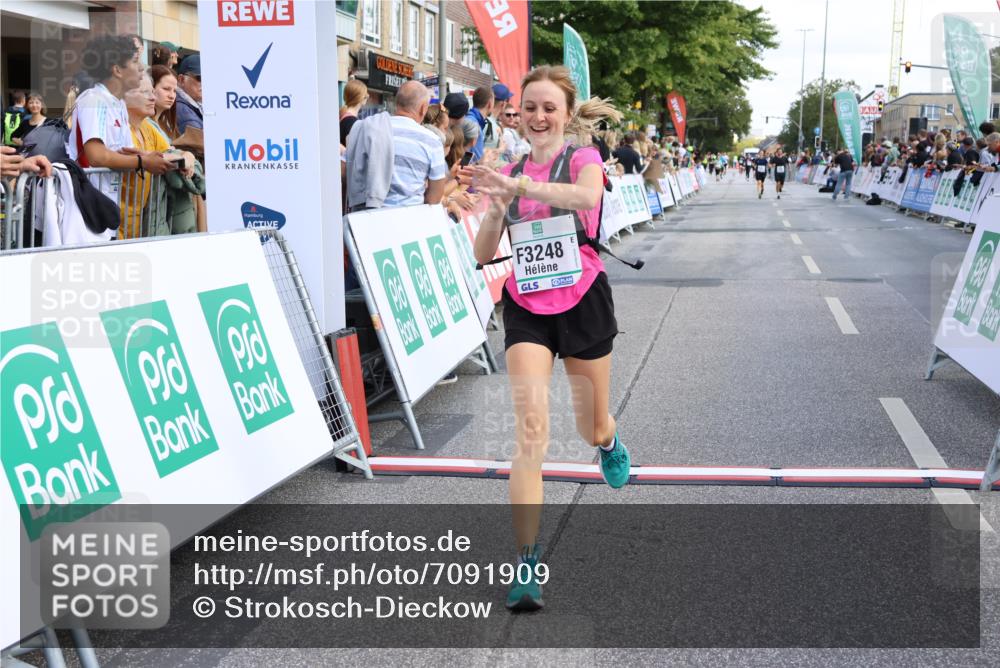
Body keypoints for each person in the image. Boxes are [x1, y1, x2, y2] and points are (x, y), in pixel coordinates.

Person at [459, 65, 627, 613]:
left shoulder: (583, 159)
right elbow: (484, 254)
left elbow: (584, 199)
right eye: (528, 106)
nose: (537, 116)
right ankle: (526, 560)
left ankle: (608, 441)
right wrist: (501, 204)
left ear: (567, 113)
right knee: (531, 432)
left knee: (590, 423)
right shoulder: (506, 170)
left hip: (582, 299)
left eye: (548, 107)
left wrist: (521, 185)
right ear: (516, 111)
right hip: (527, 305)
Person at [67, 35, 175, 208]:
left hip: (104, 202)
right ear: (117, 70)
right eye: (134, 61)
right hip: (84, 204)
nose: (141, 68)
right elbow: (97, 156)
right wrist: (144, 162)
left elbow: (122, 151)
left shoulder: (118, 104)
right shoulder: (94, 100)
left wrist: (151, 157)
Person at [383, 80, 448, 207]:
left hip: (366, 218)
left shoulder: (372, 128)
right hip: (409, 218)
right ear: (423, 108)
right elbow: (434, 197)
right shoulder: (432, 141)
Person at [175, 54, 203, 133]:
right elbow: (200, 143)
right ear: (181, 79)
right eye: (200, 78)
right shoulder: (182, 110)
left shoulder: (193, 106)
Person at [465, 86, 494, 162]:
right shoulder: (473, 124)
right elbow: (466, 156)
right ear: (490, 104)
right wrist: (483, 160)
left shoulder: (470, 119)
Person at [340, 79, 368, 148]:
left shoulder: (344, 117)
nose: (368, 95)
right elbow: (352, 153)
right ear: (360, 97)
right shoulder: (352, 122)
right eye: (366, 93)